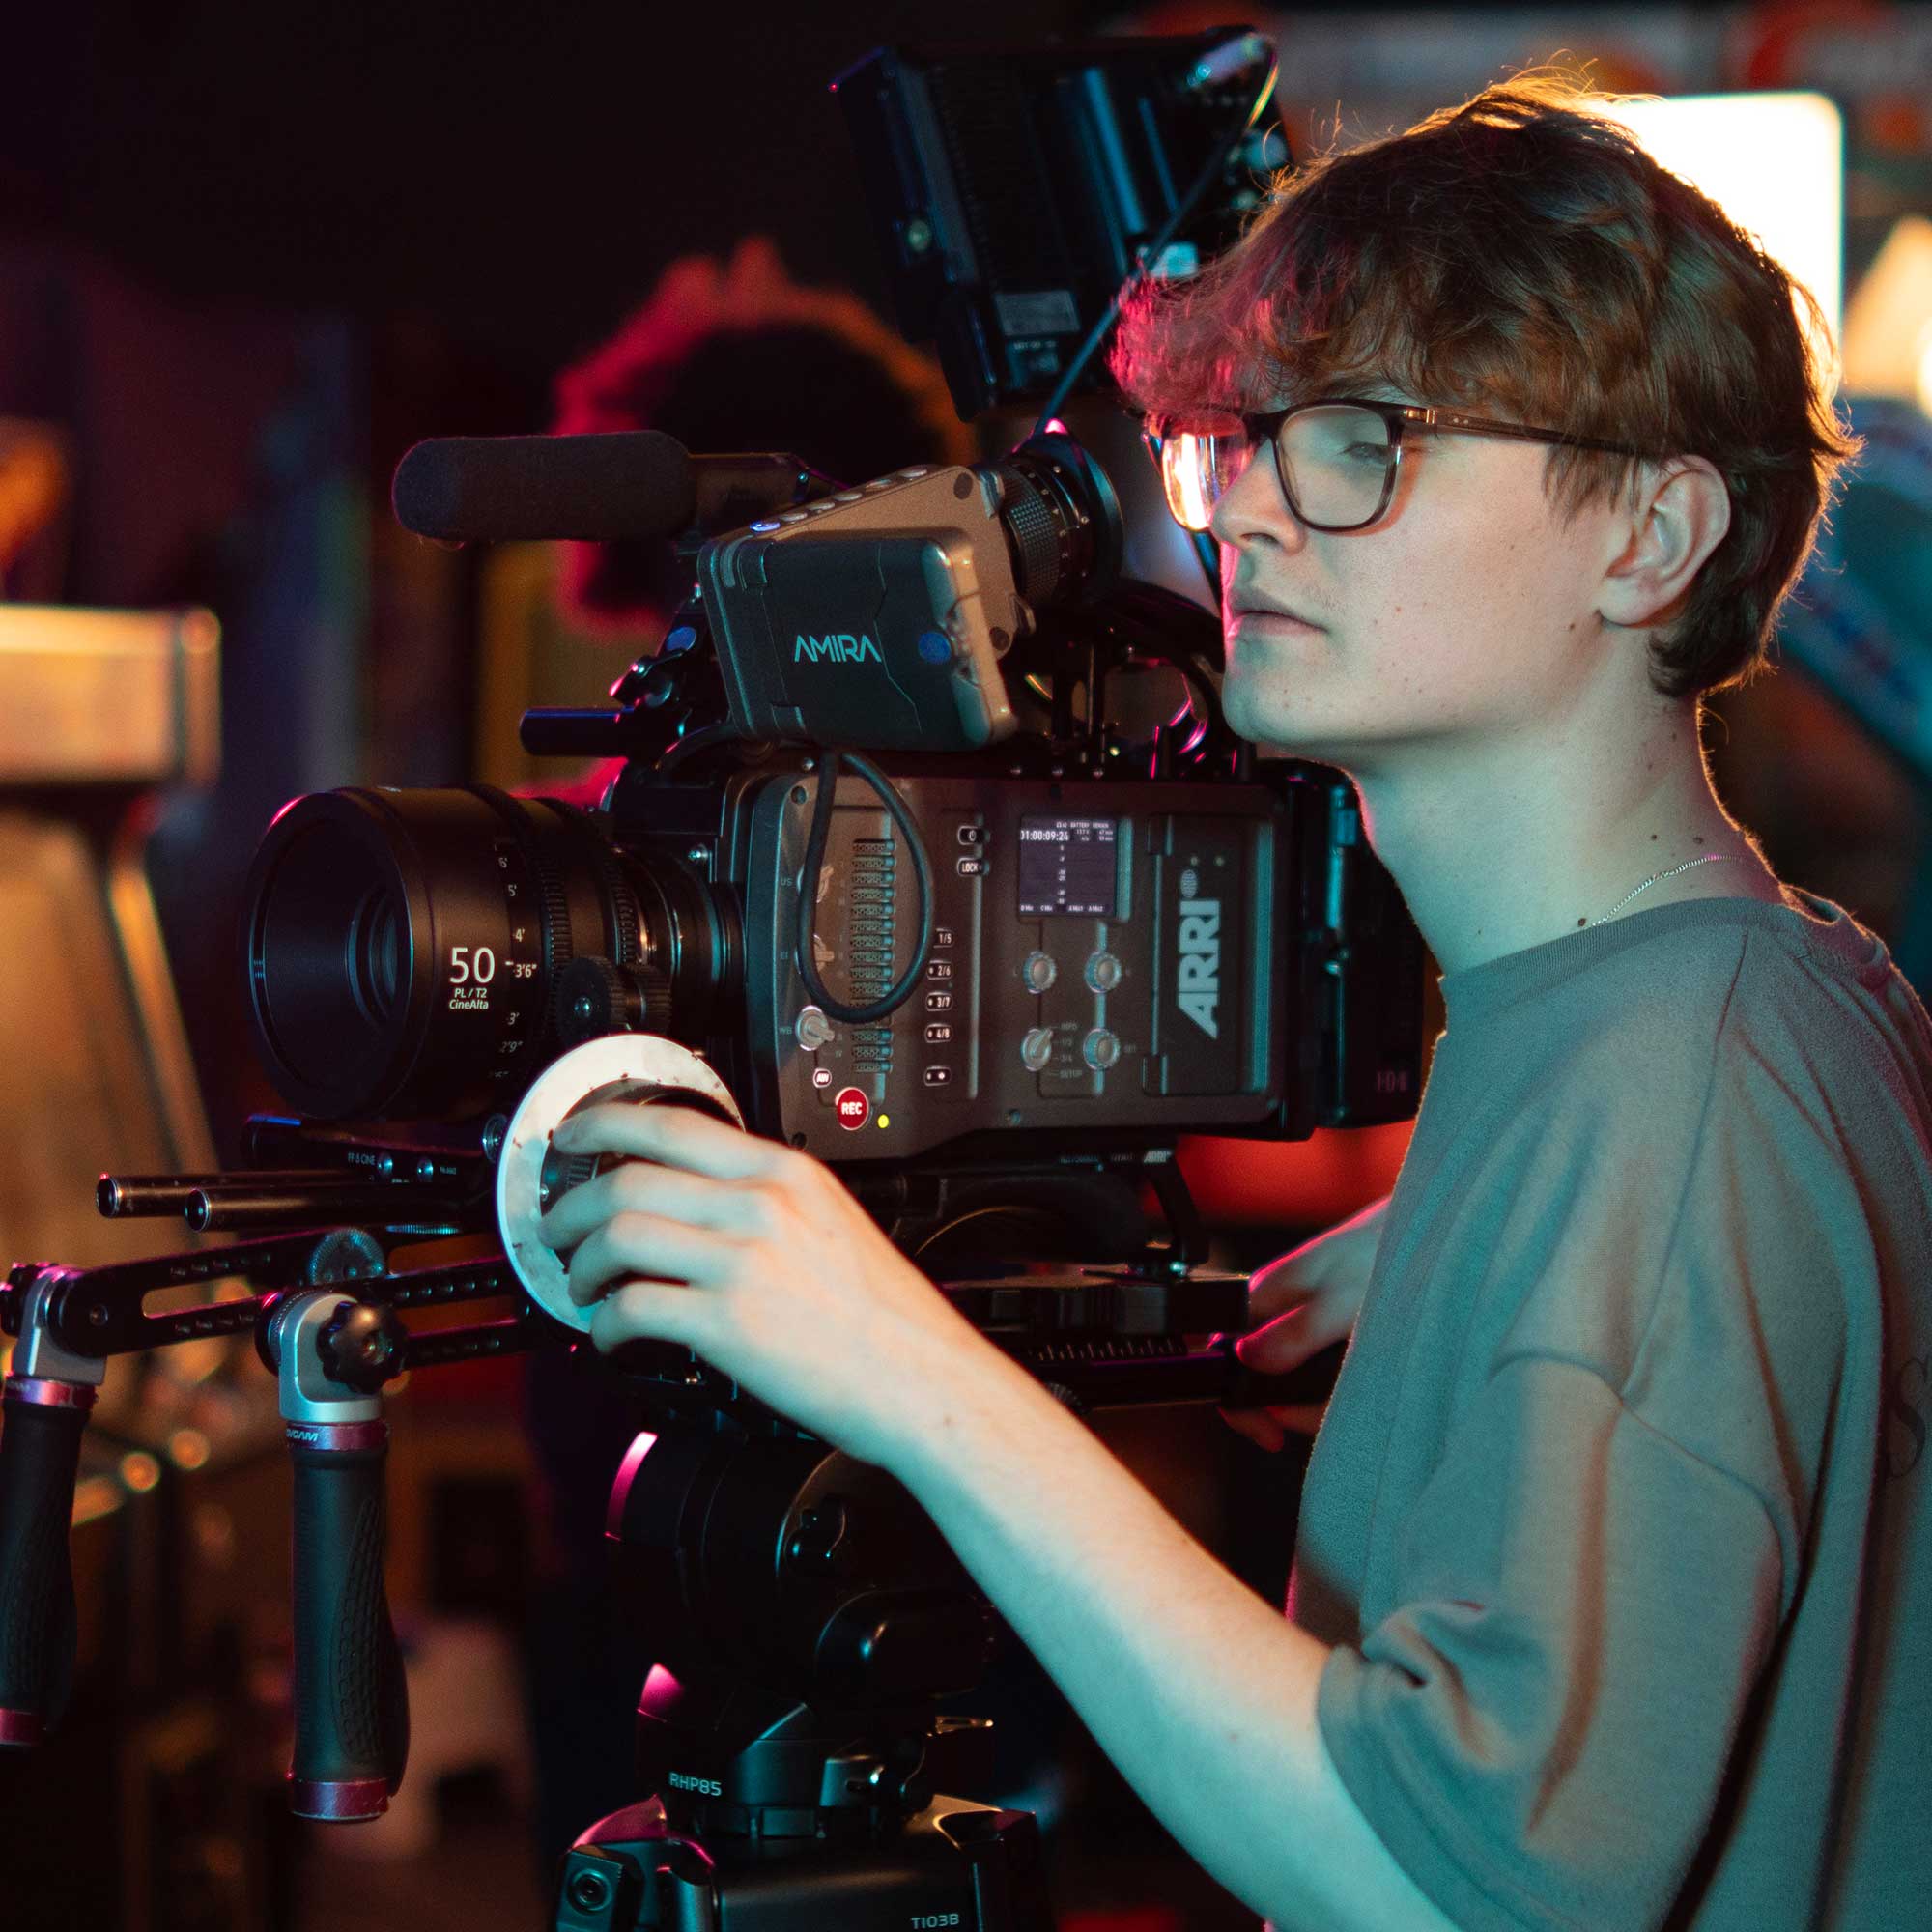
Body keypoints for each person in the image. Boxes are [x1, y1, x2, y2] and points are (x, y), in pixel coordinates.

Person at [533, 74, 1931, 1930]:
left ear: (1651, 536)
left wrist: (905, 1371)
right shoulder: (1764, 1000)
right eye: (1238, 441)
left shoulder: (1669, 1091)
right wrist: (1473, 1253)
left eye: (1361, 439)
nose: (1248, 510)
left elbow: (1444, 1886)